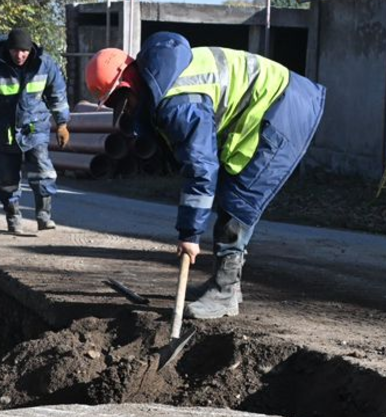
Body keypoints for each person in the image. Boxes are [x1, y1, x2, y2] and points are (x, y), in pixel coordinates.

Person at [84, 33, 325, 319]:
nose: (127, 110)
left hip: (282, 108)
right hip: (269, 106)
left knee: (239, 200)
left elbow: (200, 167)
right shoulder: (162, 76)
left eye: (123, 102)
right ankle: (226, 286)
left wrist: (189, 234)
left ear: (129, 84)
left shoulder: (178, 102)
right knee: (229, 192)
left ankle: (224, 293)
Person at [0, 27, 71, 233]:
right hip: (3, 129)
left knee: (42, 171)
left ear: (30, 49)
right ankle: (13, 216)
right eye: (15, 51)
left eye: (23, 51)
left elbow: (57, 95)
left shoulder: (45, 65)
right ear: (8, 49)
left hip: (35, 128)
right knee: (7, 178)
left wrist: (62, 124)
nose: (19, 55)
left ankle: (44, 215)